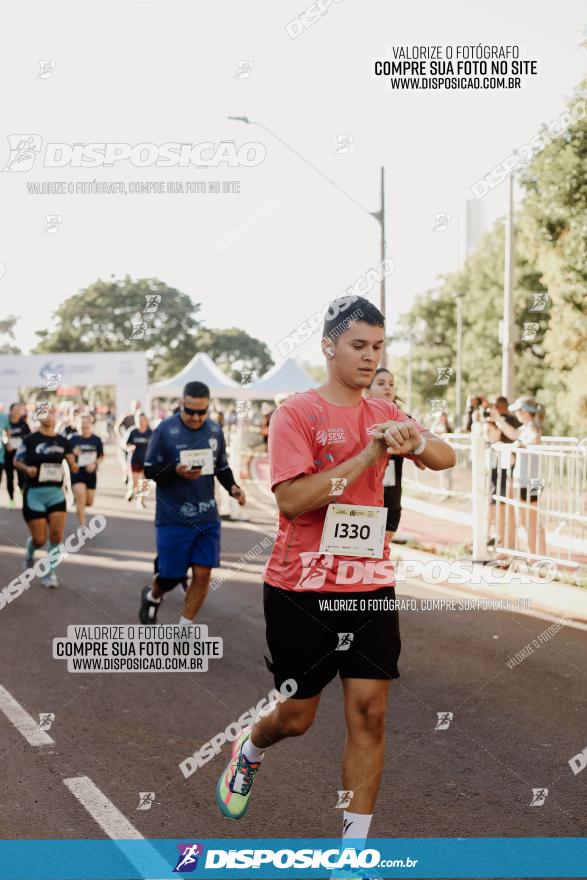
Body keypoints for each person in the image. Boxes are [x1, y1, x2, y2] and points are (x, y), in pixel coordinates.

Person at [216, 296, 455, 848]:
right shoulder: (296, 413)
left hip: (369, 584)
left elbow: (446, 458)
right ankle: (249, 748)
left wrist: (414, 441)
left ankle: (352, 850)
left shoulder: (386, 413)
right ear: (329, 347)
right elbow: (293, 501)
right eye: (358, 346)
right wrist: (368, 458)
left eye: (378, 347)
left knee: (370, 715)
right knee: (297, 718)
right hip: (301, 588)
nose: (370, 358)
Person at [138, 381, 246, 627]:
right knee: (171, 576)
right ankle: (152, 595)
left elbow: (221, 467)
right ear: (181, 404)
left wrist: (233, 488)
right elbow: (149, 470)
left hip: (207, 516)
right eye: (191, 411)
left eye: (202, 412)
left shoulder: (214, 430)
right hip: (173, 517)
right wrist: (175, 471)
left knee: (203, 572)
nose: (196, 418)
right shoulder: (165, 429)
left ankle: (185, 627)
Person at [14, 403, 79, 588]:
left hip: (56, 495)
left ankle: (50, 573)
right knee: (40, 539)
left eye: (52, 411)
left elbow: (72, 461)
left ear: (55, 415)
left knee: (57, 536)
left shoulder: (63, 441)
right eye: (44, 412)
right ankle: (29, 553)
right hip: (34, 495)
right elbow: (17, 461)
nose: (49, 415)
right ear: (38, 416)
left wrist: (74, 465)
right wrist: (28, 468)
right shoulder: (30, 440)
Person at [364, 367, 425, 546]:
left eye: (391, 384)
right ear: (367, 390)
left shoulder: (405, 420)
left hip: (390, 497)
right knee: (361, 557)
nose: (387, 388)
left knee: (382, 551)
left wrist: (413, 446)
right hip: (361, 499)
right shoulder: (357, 417)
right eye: (381, 383)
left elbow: (423, 464)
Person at [493, 396, 546, 559]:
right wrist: (499, 421)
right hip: (523, 480)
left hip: (532, 480)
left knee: (530, 518)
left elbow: (534, 439)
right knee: (526, 519)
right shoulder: (524, 429)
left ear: (524, 411)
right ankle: (534, 554)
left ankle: (536, 555)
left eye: (517, 410)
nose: (516, 413)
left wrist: (520, 445)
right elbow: (514, 434)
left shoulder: (533, 428)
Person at [485, 396, 520, 549]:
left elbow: (513, 436)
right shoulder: (492, 421)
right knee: (493, 501)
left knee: (505, 504)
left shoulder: (511, 420)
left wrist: (499, 420)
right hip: (495, 466)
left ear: (501, 406)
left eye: (494, 406)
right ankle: (493, 535)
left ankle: (504, 540)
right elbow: (492, 438)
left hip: (509, 468)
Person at [70, 414, 105, 526]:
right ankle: (83, 526)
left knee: (89, 502)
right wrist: (72, 453)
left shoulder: (96, 440)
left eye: (86, 426)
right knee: (81, 498)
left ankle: (80, 505)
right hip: (77, 473)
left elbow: (102, 455)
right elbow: (65, 455)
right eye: (81, 426)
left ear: (91, 425)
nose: (84, 428)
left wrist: (95, 464)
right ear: (77, 426)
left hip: (91, 473)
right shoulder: (72, 439)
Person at [3, 403, 31, 509]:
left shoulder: (23, 423)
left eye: (19, 409)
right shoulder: (6, 422)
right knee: (9, 477)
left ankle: (23, 496)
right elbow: (2, 435)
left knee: (21, 477)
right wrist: (6, 444)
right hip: (8, 455)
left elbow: (29, 437)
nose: (18, 411)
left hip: (20, 456)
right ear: (11, 411)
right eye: (15, 409)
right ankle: (11, 500)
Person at [124, 412, 153, 507]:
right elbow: (125, 444)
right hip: (134, 459)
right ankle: (131, 490)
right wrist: (129, 447)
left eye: (142, 420)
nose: (141, 422)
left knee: (144, 481)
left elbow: (155, 446)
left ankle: (141, 501)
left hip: (147, 460)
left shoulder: (151, 432)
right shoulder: (132, 431)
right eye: (138, 420)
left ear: (146, 420)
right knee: (135, 483)